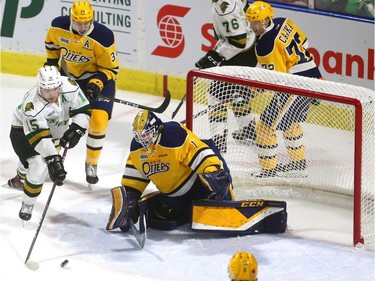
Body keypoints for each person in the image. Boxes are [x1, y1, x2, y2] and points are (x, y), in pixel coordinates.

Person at [106, 110, 234, 232]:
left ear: (156, 129)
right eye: (139, 135)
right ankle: (172, 206)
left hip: (199, 189)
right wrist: (130, 199)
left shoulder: (174, 135)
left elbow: (199, 152)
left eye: (146, 134)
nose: (143, 139)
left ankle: (225, 200)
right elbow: (134, 175)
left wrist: (212, 171)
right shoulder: (136, 148)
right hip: (173, 198)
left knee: (216, 180)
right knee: (160, 215)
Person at [44, 1, 119, 186]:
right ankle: (53, 160)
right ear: (71, 19)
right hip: (67, 79)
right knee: (56, 120)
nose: (83, 27)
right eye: (78, 23)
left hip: (98, 80)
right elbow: (52, 53)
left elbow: (111, 69)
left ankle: (91, 163)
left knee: (99, 121)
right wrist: (51, 76)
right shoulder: (57, 26)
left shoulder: (103, 36)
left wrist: (96, 83)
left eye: (87, 22)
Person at [245, 1, 323, 177]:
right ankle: (298, 165)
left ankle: (268, 170)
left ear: (265, 21)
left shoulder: (264, 45)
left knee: (264, 126)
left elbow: (276, 81)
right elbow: (305, 42)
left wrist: (251, 91)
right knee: (290, 123)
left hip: (296, 84)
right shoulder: (283, 21)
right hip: (311, 76)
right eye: (250, 22)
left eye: (256, 22)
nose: (252, 26)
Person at [8, 66, 91, 221]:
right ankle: (28, 203)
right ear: (39, 87)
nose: (52, 94)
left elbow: (83, 109)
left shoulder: (69, 86)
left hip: (55, 128)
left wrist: (77, 128)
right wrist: (54, 161)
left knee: (34, 161)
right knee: (39, 164)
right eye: (47, 90)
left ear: (60, 84)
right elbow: (41, 140)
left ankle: (20, 178)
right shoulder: (32, 105)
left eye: (55, 89)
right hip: (23, 131)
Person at [195, 0, 259, 153]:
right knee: (236, 92)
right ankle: (248, 129)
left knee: (215, 95)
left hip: (240, 55)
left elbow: (238, 42)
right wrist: (214, 54)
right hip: (249, 51)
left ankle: (218, 140)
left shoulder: (225, 8)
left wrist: (216, 57)